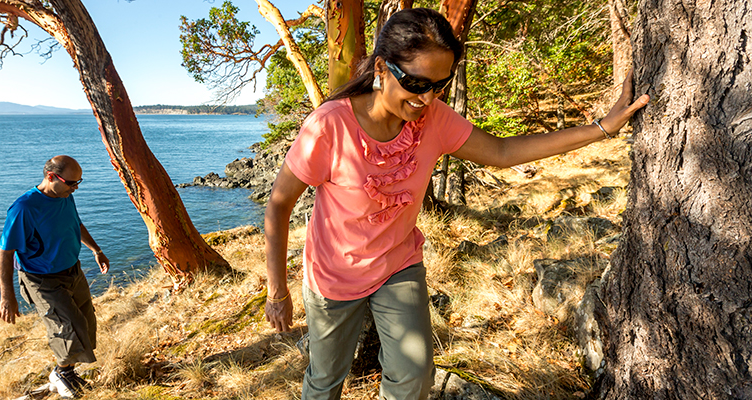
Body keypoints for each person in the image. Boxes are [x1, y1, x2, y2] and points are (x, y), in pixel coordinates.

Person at [263, 8, 649, 400]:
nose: (426, 98)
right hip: (334, 276)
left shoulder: (434, 120)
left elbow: (502, 150)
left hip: (397, 265)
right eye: (415, 83)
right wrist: (277, 291)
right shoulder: (330, 125)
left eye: (439, 84)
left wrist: (602, 128)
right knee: (326, 380)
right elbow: (279, 204)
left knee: (413, 377)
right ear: (381, 68)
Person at [0, 155, 110, 399]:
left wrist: (96, 250)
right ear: (50, 177)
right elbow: (5, 253)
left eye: (78, 182)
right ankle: (61, 375)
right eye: (71, 183)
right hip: (41, 278)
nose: (75, 188)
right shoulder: (24, 208)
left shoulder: (65, 197)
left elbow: (76, 225)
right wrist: (7, 296)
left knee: (87, 323)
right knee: (68, 326)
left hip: (72, 270)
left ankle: (65, 372)